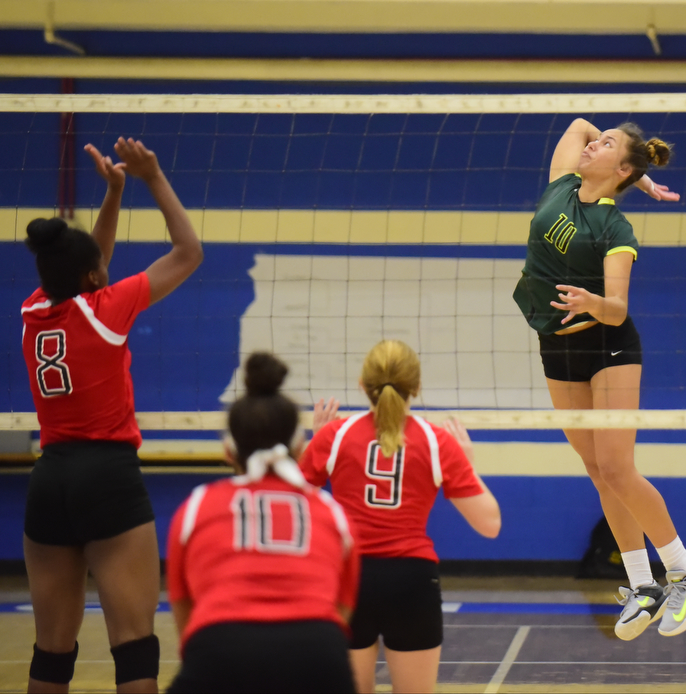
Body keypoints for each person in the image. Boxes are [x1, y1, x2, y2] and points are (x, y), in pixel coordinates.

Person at [513, 118, 686, 640]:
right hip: (555, 344)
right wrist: (639, 175)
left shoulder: (615, 230)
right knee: (595, 469)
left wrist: (591, 302)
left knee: (617, 467)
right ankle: (642, 584)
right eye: (599, 142)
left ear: (618, 167)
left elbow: (617, 307)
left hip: (610, 346)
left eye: (607, 146)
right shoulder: (561, 185)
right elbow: (579, 124)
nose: (593, 144)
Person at [21, 138, 203, 693]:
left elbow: (87, 263)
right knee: (134, 647)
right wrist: (151, 177)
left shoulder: (33, 311)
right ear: (95, 280)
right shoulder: (108, 309)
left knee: (50, 653)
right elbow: (188, 251)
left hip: (49, 480)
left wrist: (113, 193)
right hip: (108, 477)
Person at [300, 339, 501, 694]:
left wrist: (320, 446)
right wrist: (468, 464)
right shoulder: (437, 441)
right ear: (417, 387)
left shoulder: (335, 435)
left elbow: (297, 508)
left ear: (363, 385)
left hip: (348, 578)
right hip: (411, 582)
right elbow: (490, 524)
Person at [165, 353, 358, 694]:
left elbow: (182, 604)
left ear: (228, 451)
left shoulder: (196, 507)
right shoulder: (331, 512)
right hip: (317, 651)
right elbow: (343, 606)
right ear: (300, 448)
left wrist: (207, 654)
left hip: (220, 646)